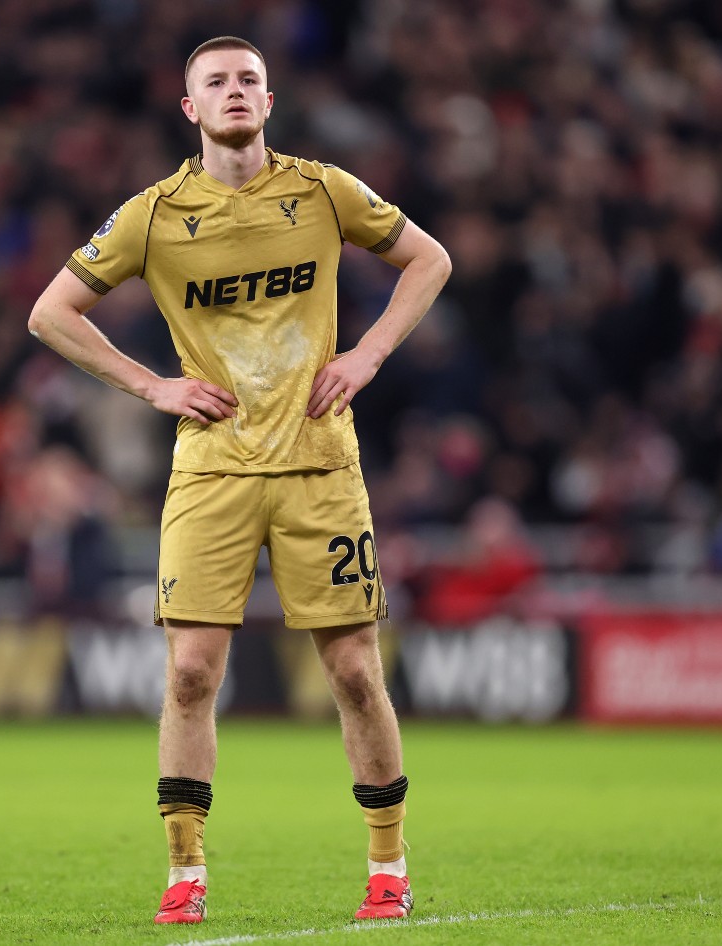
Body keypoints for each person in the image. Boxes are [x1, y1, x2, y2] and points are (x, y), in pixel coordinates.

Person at [28, 36, 451, 925]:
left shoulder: (323, 189)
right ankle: (185, 875)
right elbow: (50, 313)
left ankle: (389, 867)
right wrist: (153, 385)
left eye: (248, 79)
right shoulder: (150, 214)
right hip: (212, 469)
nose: (233, 91)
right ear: (189, 109)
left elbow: (430, 258)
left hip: (320, 465)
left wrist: (369, 354)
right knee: (188, 674)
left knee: (354, 673)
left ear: (270, 98)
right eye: (214, 82)